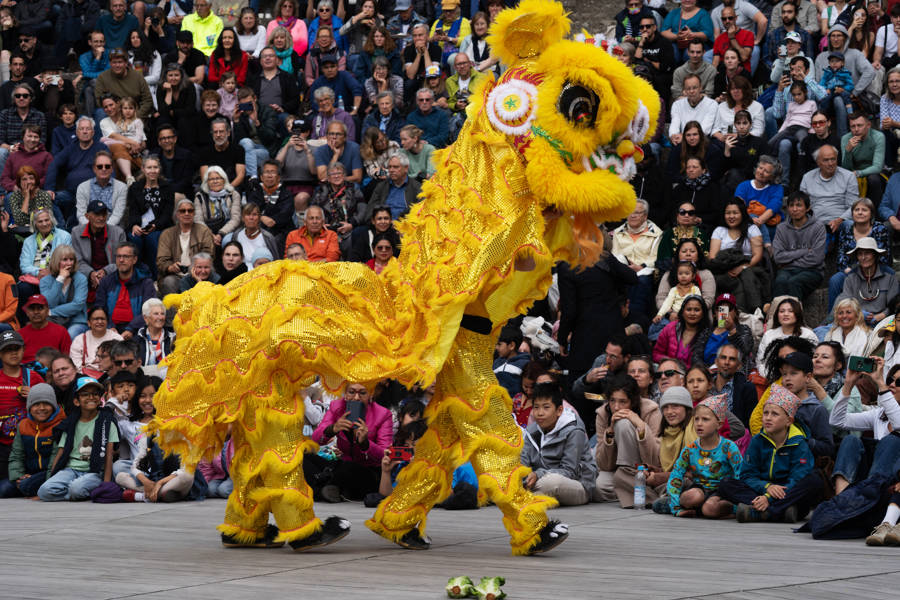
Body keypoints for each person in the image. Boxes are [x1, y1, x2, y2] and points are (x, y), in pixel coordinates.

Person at [718, 384, 823, 522]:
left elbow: (797, 478)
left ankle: (763, 512)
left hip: (787, 491)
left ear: (789, 421)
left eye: (774, 414)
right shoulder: (757, 441)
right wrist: (767, 488)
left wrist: (769, 498)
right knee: (725, 483)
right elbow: (748, 475)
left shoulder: (799, 443)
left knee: (814, 480)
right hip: (763, 489)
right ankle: (780, 511)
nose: (768, 418)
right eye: (765, 413)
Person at [37, 376, 118, 501]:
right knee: (44, 491)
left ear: (100, 398)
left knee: (76, 488)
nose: (91, 397)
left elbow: (108, 456)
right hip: (70, 470)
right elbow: (61, 452)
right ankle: (78, 493)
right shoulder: (70, 423)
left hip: (94, 471)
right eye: (85, 394)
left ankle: (77, 491)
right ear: (76, 401)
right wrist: (52, 477)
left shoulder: (107, 422)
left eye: (95, 394)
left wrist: (105, 485)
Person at [309, 381, 393, 501]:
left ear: (371, 394)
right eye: (351, 392)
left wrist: (365, 443)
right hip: (341, 465)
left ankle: (323, 489)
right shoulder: (336, 406)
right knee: (305, 455)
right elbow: (316, 438)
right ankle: (329, 489)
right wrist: (333, 429)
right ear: (345, 393)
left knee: (348, 467)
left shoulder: (383, 414)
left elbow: (385, 455)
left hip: (368, 472)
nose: (356, 398)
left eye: (363, 393)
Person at [665, 394, 743, 518]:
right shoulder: (690, 449)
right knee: (690, 498)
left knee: (710, 508)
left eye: (705, 419)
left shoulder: (729, 447)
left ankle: (731, 510)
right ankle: (677, 503)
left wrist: (738, 500)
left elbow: (741, 474)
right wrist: (676, 508)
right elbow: (676, 476)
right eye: (696, 419)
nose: (699, 424)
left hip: (721, 492)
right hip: (699, 489)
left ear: (719, 424)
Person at [520, 383, 596, 507]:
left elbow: (570, 471)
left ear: (559, 410)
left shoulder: (574, 430)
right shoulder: (531, 431)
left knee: (551, 482)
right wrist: (522, 476)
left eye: (546, 407)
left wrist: (538, 474)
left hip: (577, 485)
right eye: (536, 407)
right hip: (538, 482)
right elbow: (523, 462)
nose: (539, 413)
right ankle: (530, 496)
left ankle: (524, 497)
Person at [594, 374, 662, 507]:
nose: (617, 407)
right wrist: (611, 430)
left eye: (622, 401)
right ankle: (638, 490)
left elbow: (655, 458)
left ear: (633, 401)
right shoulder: (602, 413)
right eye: (612, 401)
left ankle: (630, 486)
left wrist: (641, 426)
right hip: (616, 470)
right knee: (600, 486)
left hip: (646, 470)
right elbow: (604, 465)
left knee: (624, 423)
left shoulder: (651, 409)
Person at [0, 381, 65, 498]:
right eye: (36, 404)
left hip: (50, 473)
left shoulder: (60, 425)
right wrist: (19, 476)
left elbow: (56, 460)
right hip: (28, 474)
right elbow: (16, 455)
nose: (41, 408)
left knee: (27, 486)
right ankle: (28, 487)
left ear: (53, 405)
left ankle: (39, 488)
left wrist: (48, 485)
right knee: (3, 489)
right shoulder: (23, 425)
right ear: (29, 407)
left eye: (46, 403)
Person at [0, 329, 45, 481]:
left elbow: (50, 408)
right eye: (7, 350)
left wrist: (34, 395)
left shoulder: (33, 377)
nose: (13, 353)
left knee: (7, 488)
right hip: (2, 445)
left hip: (28, 444)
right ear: (0, 354)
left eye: (16, 349)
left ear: (23, 350)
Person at [45, 117, 109, 224]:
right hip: (71, 193)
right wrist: (49, 188)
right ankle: (62, 229)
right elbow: (54, 165)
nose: (84, 131)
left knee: (77, 220)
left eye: (88, 129)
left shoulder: (101, 148)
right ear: (77, 132)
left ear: (93, 132)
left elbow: (108, 169)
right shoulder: (70, 148)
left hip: (93, 194)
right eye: (81, 129)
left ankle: (71, 225)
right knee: (45, 198)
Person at [831, 198, 891, 311]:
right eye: (856, 210)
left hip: (875, 269)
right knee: (835, 279)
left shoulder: (880, 229)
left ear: (871, 213)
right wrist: (847, 269)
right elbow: (841, 256)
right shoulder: (847, 229)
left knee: (890, 274)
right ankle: (832, 317)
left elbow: (884, 257)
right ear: (852, 213)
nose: (860, 212)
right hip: (851, 270)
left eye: (864, 210)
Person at [707, 199, 766, 313]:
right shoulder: (719, 230)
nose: (731, 216)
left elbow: (757, 255)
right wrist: (727, 267)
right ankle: (722, 322)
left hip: (748, 267)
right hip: (724, 269)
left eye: (735, 213)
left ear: (742, 214)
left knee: (745, 278)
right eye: (728, 213)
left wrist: (742, 267)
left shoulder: (752, 229)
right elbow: (713, 257)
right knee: (726, 286)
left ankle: (746, 314)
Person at [777, 351, 836, 457]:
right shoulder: (777, 405)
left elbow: (827, 448)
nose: (787, 378)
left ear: (808, 377)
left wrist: (800, 441)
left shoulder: (816, 409)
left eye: (793, 373)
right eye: (784, 374)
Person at [771, 190, 827, 302]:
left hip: (812, 271)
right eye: (791, 205)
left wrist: (788, 261)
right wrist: (805, 251)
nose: (794, 209)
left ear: (807, 208)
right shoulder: (781, 228)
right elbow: (778, 257)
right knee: (780, 282)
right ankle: (775, 318)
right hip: (787, 271)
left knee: (794, 282)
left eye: (799, 205)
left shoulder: (818, 227)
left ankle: (795, 318)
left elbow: (816, 258)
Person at [611, 199, 662, 320]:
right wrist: (625, 269)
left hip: (645, 271)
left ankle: (637, 320)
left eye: (637, 213)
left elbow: (655, 258)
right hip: (622, 270)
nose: (632, 215)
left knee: (641, 282)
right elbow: (615, 254)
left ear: (645, 216)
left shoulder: (657, 233)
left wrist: (641, 267)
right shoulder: (618, 233)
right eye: (629, 212)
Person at [125, 156, 173, 279]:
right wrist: (135, 225)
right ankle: (136, 274)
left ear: (159, 169)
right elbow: (133, 210)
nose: (152, 170)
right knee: (134, 238)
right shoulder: (135, 187)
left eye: (155, 167)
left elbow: (167, 214)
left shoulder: (167, 187)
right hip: (139, 225)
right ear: (143, 169)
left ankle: (156, 277)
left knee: (152, 238)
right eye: (149, 167)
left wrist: (155, 225)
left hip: (159, 226)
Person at [157, 197, 215, 297]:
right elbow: (161, 260)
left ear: (194, 213)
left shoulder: (204, 231)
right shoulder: (167, 234)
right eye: (183, 211)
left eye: (190, 210)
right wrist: (171, 267)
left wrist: (196, 267)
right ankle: (174, 313)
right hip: (175, 275)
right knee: (168, 282)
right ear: (177, 214)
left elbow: (209, 254)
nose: (187, 213)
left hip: (199, 274)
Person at [835, 237, 900, 327]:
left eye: (867, 253)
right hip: (856, 321)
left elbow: (895, 304)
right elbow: (845, 303)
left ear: (875, 255)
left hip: (885, 321)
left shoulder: (889, 276)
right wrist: (859, 313)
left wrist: (881, 315)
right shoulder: (851, 278)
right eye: (860, 254)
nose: (863, 257)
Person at [95, 241, 157, 334]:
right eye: (118, 256)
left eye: (126, 256)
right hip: (110, 329)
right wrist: (110, 327)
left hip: (137, 331)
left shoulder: (145, 283)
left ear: (134, 259)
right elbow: (99, 308)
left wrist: (131, 329)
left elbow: (149, 312)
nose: (121, 260)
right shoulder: (106, 281)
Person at [800, 145, 857, 242]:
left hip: (841, 221)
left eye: (833, 159)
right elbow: (802, 205)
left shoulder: (848, 176)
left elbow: (853, 206)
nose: (830, 163)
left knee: (849, 225)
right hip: (816, 223)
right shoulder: (808, 177)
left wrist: (839, 220)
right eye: (826, 160)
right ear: (818, 162)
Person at [692, 294, 754, 372]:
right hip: (708, 375)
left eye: (729, 309)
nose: (725, 313)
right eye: (721, 309)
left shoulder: (743, 330)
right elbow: (696, 357)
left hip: (733, 374)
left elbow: (745, 351)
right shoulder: (707, 332)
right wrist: (705, 371)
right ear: (715, 313)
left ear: (735, 313)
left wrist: (732, 329)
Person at [769, 79, 817, 178]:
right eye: (794, 95)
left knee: (804, 145)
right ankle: (772, 161)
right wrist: (780, 132)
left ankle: (804, 173)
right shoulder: (791, 105)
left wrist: (812, 133)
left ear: (805, 92)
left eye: (799, 94)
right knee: (772, 141)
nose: (797, 97)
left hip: (803, 129)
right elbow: (787, 120)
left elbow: (814, 119)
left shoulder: (811, 103)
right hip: (790, 129)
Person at [39, 245, 88, 339]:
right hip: (54, 321)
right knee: (49, 335)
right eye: (65, 260)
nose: (69, 263)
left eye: (71, 259)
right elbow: (49, 303)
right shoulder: (45, 281)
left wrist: (52, 311)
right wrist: (60, 279)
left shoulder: (81, 279)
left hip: (76, 321)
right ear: (56, 261)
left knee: (69, 335)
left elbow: (78, 305)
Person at [0, 82, 45, 178]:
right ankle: (3, 190)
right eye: (18, 96)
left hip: (32, 149)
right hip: (10, 150)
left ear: (30, 98)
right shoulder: (5, 114)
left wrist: (24, 148)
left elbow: (42, 140)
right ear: (14, 99)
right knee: (1, 152)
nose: (21, 98)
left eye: (25, 96)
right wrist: (11, 148)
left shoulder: (39, 116)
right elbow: (0, 140)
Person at [94, 48, 153, 120]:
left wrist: (136, 116)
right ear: (110, 63)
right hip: (113, 113)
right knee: (99, 112)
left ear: (126, 63)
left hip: (134, 114)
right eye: (114, 62)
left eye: (120, 62)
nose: (117, 65)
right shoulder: (102, 77)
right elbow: (99, 101)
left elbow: (147, 100)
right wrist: (116, 113)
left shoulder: (137, 76)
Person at [653, 295, 710, 367]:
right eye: (688, 309)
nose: (692, 313)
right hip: (670, 372)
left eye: (696, 310)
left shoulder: (708, 335)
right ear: (682, 312)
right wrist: (670, 362)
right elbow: (656, 353)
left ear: (703, 314)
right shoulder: (670, 328)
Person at [75, 151, 128, 228]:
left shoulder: (122, 187)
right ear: (94, 169)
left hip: (113, 229)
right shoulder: (82, 187)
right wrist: (92, 228)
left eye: (107, 166)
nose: (103, 169)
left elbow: (117, 215)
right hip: (88, 228)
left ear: (112, 169)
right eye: (100, 166)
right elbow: (81, 215)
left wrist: (103, 229)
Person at [841, 112, 886, 203]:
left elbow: (878, 167)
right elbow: (846, 168)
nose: (856, 129)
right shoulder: (846, 139)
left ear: (868, 125)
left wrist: (858, 173)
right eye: (853, 126)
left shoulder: (878, 137)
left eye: (859, 125)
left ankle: (875, 213)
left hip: (873, 173)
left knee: (873, 179)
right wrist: (848, 151)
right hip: (853, 173)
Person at [720, 109, 766, 195]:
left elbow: (765, 164)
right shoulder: (730, 143)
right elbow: (725, 169)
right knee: (732, 175)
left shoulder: (759, 142)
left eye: (745, 123)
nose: (741, 127)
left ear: (750, 124)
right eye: (738, 123)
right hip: (735, 180)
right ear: (734, 125)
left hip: (755, 178)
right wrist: (727, 151)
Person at [670, 157, 720, 235]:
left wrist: (700, 219)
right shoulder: (679, 188)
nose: (691, 170)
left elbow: (716, 212)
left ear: (703, 170)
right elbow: (672, 209)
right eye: (688, 167)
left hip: (704, 227)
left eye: (694, 167)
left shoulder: (713, 188)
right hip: (680, 226)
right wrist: (680, 218)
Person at [222, 203, 282, 267]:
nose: (251, 217)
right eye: (248, 214)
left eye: (254, 214)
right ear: (243, 218)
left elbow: (276, 261)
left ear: (259, 218)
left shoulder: (268, 237)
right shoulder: (237, 235)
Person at [69, 305, 122, 376]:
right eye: (96, 319)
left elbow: (121, 362)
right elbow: (75, 365)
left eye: (102, 319)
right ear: (88, 322)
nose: (100, 321)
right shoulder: (79, 340)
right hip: (86, 378)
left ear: (107, 321)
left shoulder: (117, 338)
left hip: (112, 376)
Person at [368, 151, 422, 221]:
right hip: (383, 225)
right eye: (389, 167)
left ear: (406, 168)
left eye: (395, 167)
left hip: (405, 225)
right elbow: (370, 209)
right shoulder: (382, 186)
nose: (391, 170)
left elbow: (419, 212)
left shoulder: (416, 187)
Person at [0, 124, 50, 194]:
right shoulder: (14, 156)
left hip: (37, 191)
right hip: (16, 191)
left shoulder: (46, 156)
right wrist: (13, 187)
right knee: (9, 200)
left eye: (36, 137)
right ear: (23, 137)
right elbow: (5, 178)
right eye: (29, 136)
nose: (32, 140)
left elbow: (48, 176)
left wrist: (34, 186)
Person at [19, 294, 70, 362]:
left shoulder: (61, 331)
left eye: (40, 308)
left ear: (47, 311)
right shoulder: (20, 334)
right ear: (27, 312)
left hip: (52, 370)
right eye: (32, 309)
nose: (36, 312)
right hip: (27, 370)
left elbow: (66, 358)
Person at [712, 75, 765, 142]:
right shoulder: (722, 106)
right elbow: (714, 128)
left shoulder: (757, 107)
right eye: (732, 89)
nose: (735, 91)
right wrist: (720, 136)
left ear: (745, 90)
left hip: (748, 142)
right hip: (724, 141)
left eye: (738, 88)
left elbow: (758, 131)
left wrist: (739, 137)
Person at [669, 75, 718, 142]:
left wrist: (685, 137)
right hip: (682, 141)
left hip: (702, 141)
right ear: (684, 90)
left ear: (701, 88)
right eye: (688, 88)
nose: (691, 91)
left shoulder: (711, 104)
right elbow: (674, 124)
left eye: (694, 88)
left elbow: (705, 128)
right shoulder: (677, 105)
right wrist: (674, 136)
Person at [5, 165, 53, 232]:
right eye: (24, 179)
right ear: (19, 182)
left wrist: (28, 223)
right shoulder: (14, 196)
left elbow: (46, 220)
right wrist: (27, 197)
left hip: (40, 230)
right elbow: (20, 221)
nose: (28, 182)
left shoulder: (44, 195)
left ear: (35, 180)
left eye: (31, 178)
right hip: (20, 230)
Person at [881, 66, 900, 169]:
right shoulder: (885, 98)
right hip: (892, 134)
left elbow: (892, 123)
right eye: (891, 82)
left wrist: (894, 124)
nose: (894, 84)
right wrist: (887, 124)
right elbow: (882, 123)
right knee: (883, 134)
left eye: (897, 81)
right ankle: (889, 167)